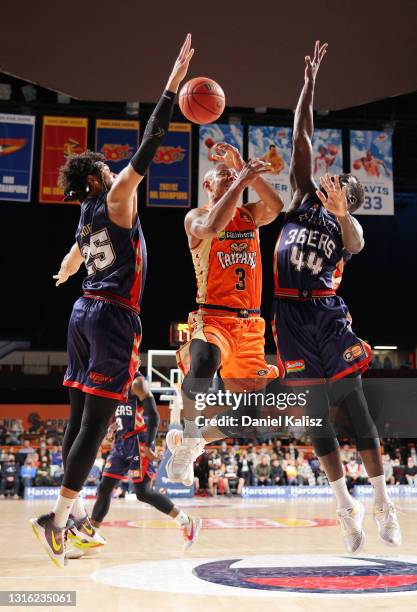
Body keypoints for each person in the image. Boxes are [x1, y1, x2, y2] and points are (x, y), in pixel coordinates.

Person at [30, 34, 195, 568]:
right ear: (101, 176)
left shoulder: (84, 215)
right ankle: (56, 522)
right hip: (112, 319)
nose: (115, 167)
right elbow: (151, 141)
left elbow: (77, 255)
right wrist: (171, 85)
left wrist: (63, 270)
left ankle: (70, 518)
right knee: (96, 426)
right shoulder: (118, 197)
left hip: (82, 312)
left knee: (79, 422)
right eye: (108, 165)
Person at [272, 41, 401, 553]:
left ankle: (383, 503)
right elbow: (301, 135)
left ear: (351, 197)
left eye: (343, 186)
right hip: (289, 315)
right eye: (334, 180)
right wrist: (309, 85)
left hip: (326, 316)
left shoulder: (349, 227)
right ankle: (344, 507)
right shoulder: (304, 196)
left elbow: (354, 243)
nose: (333, 182)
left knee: (357, 410)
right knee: (313, 418)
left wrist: (344, 212)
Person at [165, 139, 283, 487]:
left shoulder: (249, 215)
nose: (230, 178)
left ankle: (197, 440)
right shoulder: (196, 217)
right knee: (203, 363)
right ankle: (187, 435)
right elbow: (213, 227)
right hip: (213, 317)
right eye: (223, 176)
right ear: (207, 185)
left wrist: (246, 171)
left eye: (232, 175)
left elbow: (276, 205)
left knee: (247, 418)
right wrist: (241, 180)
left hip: (250, 325)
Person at [67, 371, 200, 559]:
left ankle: (186, 522)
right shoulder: (113, 382)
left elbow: (153, 414)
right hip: (121, 443)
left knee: (143, 493)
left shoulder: (137, 382)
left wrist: (149, 444)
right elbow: (117, 413)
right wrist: (112, 428)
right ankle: (91, 538)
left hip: (138, 442)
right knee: (104, 488)